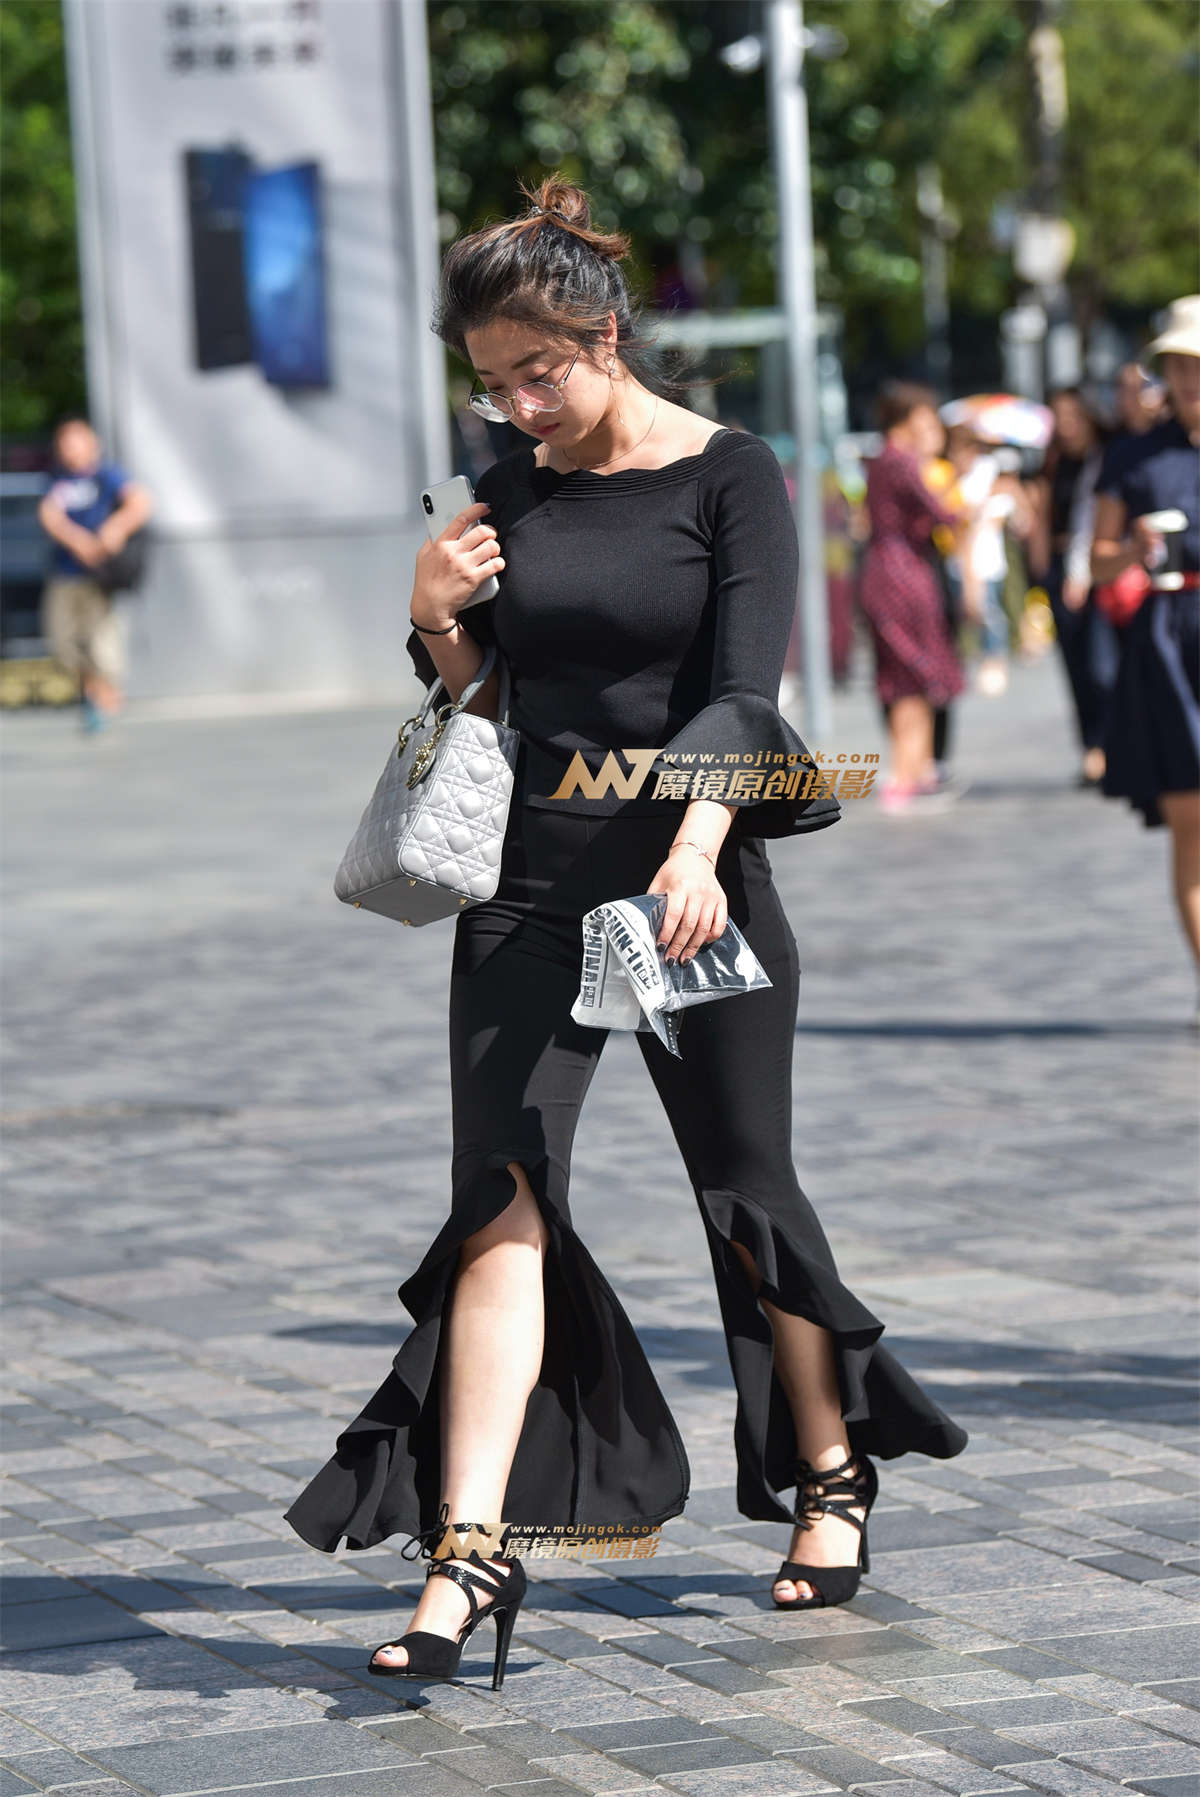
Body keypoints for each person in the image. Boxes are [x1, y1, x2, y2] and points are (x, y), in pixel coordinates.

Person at [285, 176, 969, 1682]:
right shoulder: (505, 489)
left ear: (604, 335)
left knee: (746, 1187)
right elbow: (486, 697)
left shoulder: (734, 475)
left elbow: (744, 688)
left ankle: (829, 1471)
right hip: (526, 888)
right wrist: (437, 612)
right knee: (499, 1197)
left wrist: (702, 846)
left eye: (538, 372)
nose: (519, 407)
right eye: (493, 383)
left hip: (689, 879)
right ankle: (469, 1550)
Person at [1091, 296, 1200, 1015]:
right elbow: (1097, 562)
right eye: (1178, 365)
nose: (1188, 378)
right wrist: (1131, 549)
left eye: (1198, 364)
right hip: (1171, 637)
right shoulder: (1135, 455)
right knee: (1192, 817)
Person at [857, 382, 967, 814]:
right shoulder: (901, 461)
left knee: (909, 678)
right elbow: (944, 515)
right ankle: (905, 774)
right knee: (910, 678)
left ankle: (916, 771)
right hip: (903, 577)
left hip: (890, 572)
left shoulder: (882, 460)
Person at [36, 417, 152, 731]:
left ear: (92, 444)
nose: (69, 449)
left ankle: (104, 696)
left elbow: (140, 503)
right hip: (66, 572)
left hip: (98, 576)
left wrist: (115, 529)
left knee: (101, 640)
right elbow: (49, 515)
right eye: (65, 443)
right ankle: (91, 688)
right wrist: (78, 541)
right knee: (62, 642)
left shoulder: (107, 475)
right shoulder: (58, 480)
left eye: (75, 441)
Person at [1029, 389, 1119, 786]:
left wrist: (1079, 573)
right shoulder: (1053, 462)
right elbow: (1043, 517)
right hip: (1059, 568)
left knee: (1103, 666)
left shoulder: (1106, 457)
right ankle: (1092, 750)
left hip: (1100, 572)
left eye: (1073, 415)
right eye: (1059, 416)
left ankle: (1113, 745)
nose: (1066, 425)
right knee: (1076, 667)